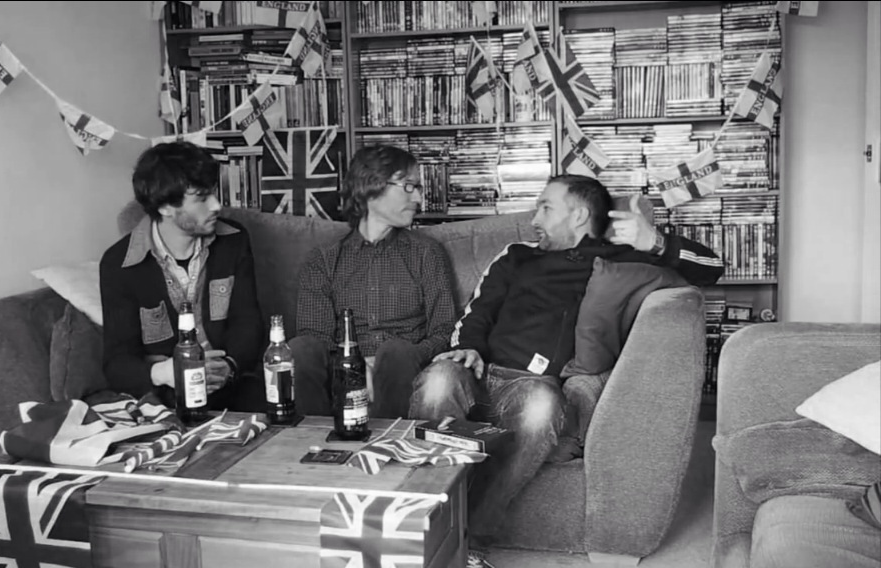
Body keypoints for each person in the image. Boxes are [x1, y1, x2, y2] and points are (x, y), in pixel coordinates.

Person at [408, 174, 725, 568]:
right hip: (477, 370)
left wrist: (656, 243)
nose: (534, 219)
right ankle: (415, 524)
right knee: (439, 380)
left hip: (530, 386)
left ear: (578, 215)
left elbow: (713, 267)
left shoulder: (617, 257)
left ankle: (468, 539)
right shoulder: (516, 255)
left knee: (543, 405)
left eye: (545, 208)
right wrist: (466, 346)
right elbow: (479, 309)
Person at [290, 145, 457, 419]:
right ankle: (313, 439)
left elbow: (444, 331)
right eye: (409, 186)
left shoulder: (427, 253)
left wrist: (396, 359)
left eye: (418, 188)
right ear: (372, 187)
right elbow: (315, 337)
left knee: (395, 351)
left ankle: (390, 438)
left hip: (405, 369)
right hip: (341, 371)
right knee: (300, 348)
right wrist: (354, 365)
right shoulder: (324, 259)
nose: (418, 197)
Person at [99, 141, 265, 412]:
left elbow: (247, 322)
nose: (216, 205)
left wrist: (229, 366)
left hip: (231, 384)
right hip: (166, 396)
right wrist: (167, 373)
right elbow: (117, 362)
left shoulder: (234, 240)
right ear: (166, 207)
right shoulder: (119, 264)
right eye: (201, 198)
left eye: (213, 193)